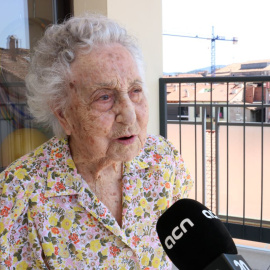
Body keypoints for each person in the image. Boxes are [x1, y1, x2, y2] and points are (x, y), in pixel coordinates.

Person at [0, 13, 193, 269]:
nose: (129, 114)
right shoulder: (18, 195)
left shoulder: (163, 159)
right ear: (63, 114)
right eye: (104, 97)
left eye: (135, 91)